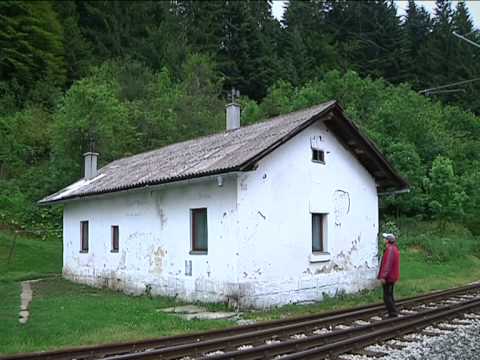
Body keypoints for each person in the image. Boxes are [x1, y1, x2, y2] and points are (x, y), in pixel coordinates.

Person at [378, 233, 400, 317]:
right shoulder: (394, 248)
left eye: (385, 238)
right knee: (390, 295)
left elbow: (387, 264)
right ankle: (393, 312)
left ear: (388, 240)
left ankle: (393, 313)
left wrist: (383, 276)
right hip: (392, 276)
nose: (384, 240)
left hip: (389, 277)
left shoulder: (390, 250)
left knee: (387, 296)